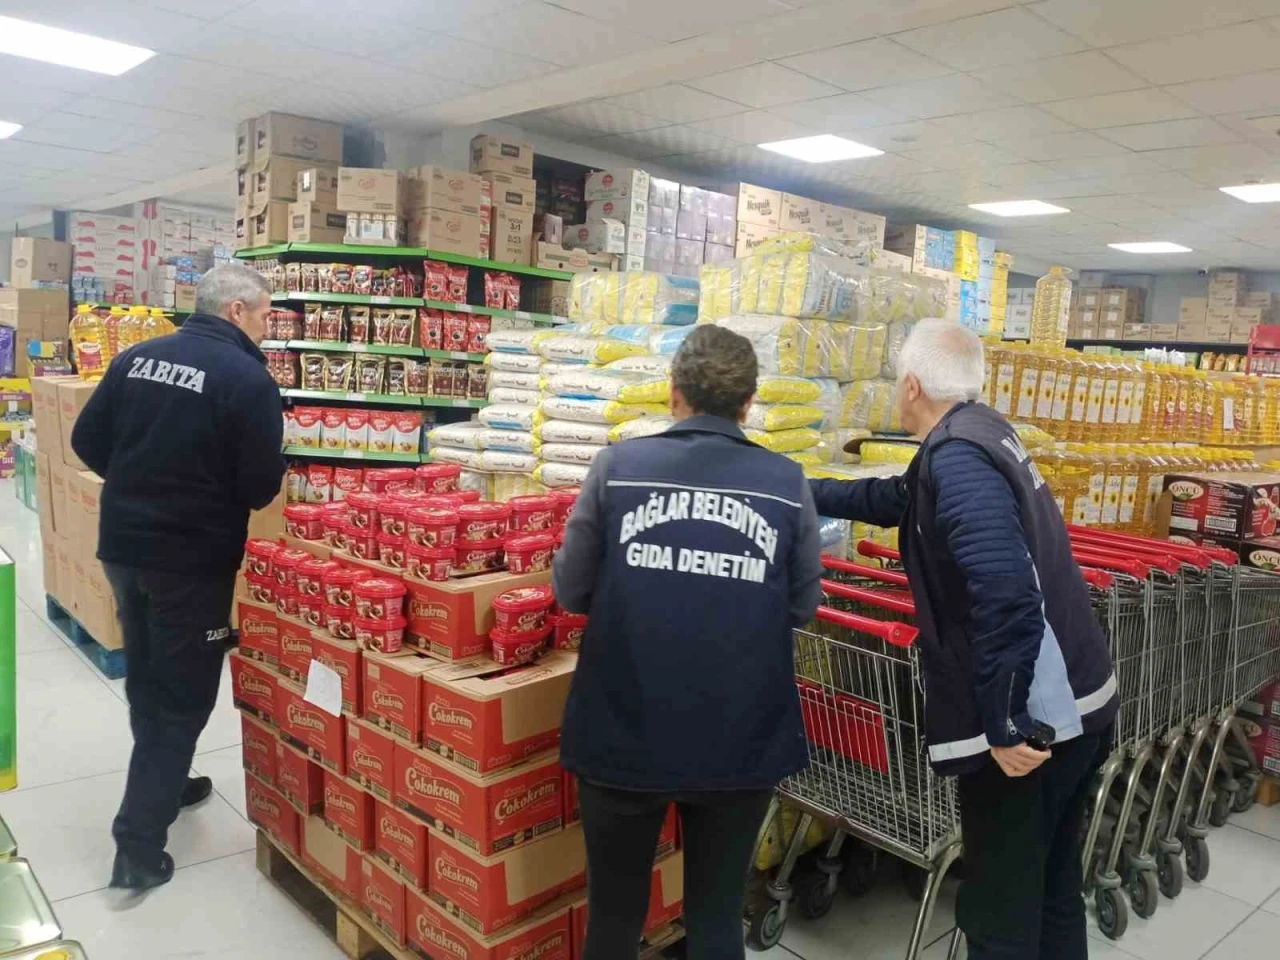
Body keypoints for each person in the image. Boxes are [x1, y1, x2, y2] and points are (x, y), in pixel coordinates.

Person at [810, 319, 1118, 960]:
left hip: (1039, 725)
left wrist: (1004, 720)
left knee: (999, 911)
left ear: (912, 386)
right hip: (1082, 697)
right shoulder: (980, 431)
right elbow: (897, 497)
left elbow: (1005, 589)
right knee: (1051, 885)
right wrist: (801, 490)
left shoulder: (958, 457)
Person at [554, 324, 824, 960]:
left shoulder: (618, 469)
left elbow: (570, 589)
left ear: (674, 393)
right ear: (748, 404)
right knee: (716, 915)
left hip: (624, 725)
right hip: (740, 737)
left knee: (614, 918)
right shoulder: (787, 483)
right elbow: (802, 607)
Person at [72, 263, 285, 892]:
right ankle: (137, 848)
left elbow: (87, 440)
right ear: (237, 311)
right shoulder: (247, 378)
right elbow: (258, 487)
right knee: (183, 697)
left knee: (148, 675)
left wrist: (139, 485)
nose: (268, 327)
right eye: (265, 314)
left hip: (124, 547)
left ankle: (170, 780)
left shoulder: (138, 358)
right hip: (190, 563)